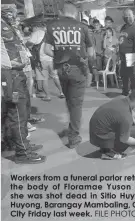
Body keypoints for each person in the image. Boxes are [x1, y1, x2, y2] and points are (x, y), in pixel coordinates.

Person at [44, 1, 97, 149]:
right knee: (76, 104)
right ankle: (73, 137)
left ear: (62, 12)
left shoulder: (51, 26)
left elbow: (47, 50)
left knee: (69, 100)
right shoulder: (83, 27)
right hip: (78, 70)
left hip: (61, 69)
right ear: (75, 13)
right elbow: (92, 53)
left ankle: (71, 128)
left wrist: (60, 55)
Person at [1, 11, 45, 164]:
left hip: (16, 73)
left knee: (22, 111)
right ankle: (22, 152)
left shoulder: (5, 24)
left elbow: (17, 46)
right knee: (17, 113)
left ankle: (19, 144)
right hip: (9, 75)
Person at [89, 86, 135, 160]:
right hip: (100, 138)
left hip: (95, 132)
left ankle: (106, 146)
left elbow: (127, 117)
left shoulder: (122, 98)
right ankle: (109, 152)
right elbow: (125, 139)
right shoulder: (125, 116)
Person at [26, 23, 65, 101]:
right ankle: (61, 92)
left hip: (41, 60)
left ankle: (48, 96)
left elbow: (29, 44)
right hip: (51, 58)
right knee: (55, 76)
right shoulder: (51, 34)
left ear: (36, 27)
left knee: (44, 78)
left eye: (33, 27)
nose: (32, 29)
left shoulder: (36, 34)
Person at [119, 8, 135, 96]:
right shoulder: (123, 27)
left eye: (129, 16)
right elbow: (121, 40)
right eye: (126, 16)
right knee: (124, 76)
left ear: (133, 17)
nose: (127, 18)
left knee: (134, 78)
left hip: (131, 58)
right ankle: (125, 93)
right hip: (123, 58)